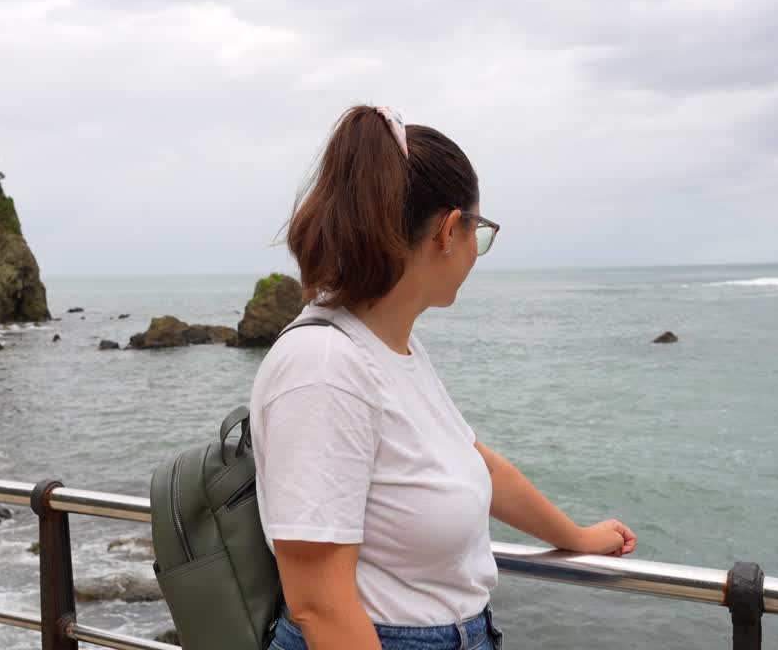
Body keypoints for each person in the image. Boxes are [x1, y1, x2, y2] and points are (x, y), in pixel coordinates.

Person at [248, 105, 637, 650]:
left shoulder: (392, 346)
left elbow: (472, 459)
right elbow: (320, 605)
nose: (478, 249)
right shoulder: (324, 368)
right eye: (481, 230)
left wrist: (574, 536)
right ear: (451, 230)